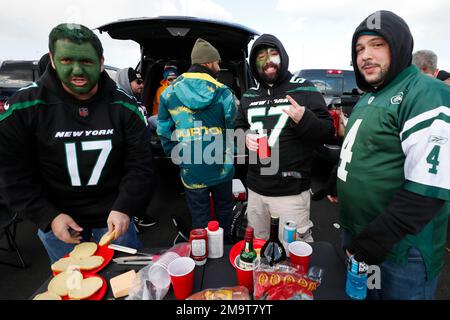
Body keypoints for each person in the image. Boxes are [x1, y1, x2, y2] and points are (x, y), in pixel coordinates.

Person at [0, 23, 154, 263]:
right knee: (72, 286)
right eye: (66, 60)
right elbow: (11, 172)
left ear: (101, 62)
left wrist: (126, 205)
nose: (77, 70)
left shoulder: (125, 106)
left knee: (128, 283)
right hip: (59, 219)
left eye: (87, 62)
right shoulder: (23, 106)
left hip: (113, 217)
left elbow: (140, 164)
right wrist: (47, 216)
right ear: (52, 59)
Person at [334, 10, 450, 300]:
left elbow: (428, 191)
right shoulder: (370, 96)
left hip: (401, 250)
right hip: (359, 234)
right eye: (359, 48)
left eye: (377, 44)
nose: (365, 56)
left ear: (397, 47)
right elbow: (364, 150)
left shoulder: (426, 92)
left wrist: (373, 241)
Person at [234, 34, 335, 244]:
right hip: (255, 191)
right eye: (260, 56)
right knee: (257, 248)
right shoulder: (249, 96)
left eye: (273, 54)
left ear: (282, 56)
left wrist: (304, 118)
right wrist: (245, 137)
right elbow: (239, 125)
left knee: (292, 254)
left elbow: (327, 130)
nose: (268, 60)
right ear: (254, 64)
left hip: (291, 193)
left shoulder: (304, 88)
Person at [157, 38, 236, 243]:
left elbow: (164, 131)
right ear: (208, 63)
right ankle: (225, 250)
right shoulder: (223, 93)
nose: (219, 67)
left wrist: (176, 155)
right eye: (217, 62)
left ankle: (203, 259)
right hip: (221, 167)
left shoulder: (169, 93)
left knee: (199, 217)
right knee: (224, 212)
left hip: (191, 169)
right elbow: (233, 130)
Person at [115, 67, 157, 228]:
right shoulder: (121, 105)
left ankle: (138, 214)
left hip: (144, 151)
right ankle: (134, 217)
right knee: (136, 186)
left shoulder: (135, 102)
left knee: (150, 182)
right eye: (138, 82)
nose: (142, 85)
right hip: (130, 157)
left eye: (142, 81)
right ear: (126, 82)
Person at [150, 64, 179, 130]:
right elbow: (166, 107)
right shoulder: (161, 90)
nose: (173, 81)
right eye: (170, 79)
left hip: (177, 116)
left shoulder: (182, 88)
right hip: (162, 117)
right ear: (166, 80)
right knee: (150, 120)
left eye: (175, 78)